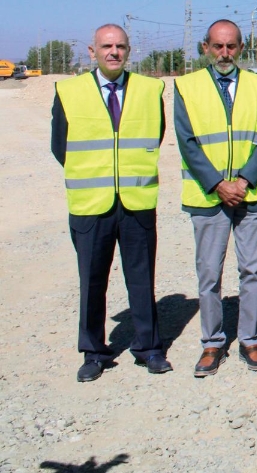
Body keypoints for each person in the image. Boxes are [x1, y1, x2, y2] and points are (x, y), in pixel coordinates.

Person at [51, 24, 171, 381]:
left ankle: (149, 348)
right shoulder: (69, 91)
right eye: (106, 46)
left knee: (141, 278)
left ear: (129, 51)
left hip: (136, 201)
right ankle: (93, 352)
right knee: (91, 281)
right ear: (92, 51)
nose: (113, 52)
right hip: (91, 204)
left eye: (120, 46)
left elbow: (157, 133)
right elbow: (62, 146)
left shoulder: (150, 90)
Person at [175, 20, 257, 376]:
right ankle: (212, 343)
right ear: (205, 48)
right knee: (209, 273)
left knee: (252, 270)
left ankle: (249, 339)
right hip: (208, 197)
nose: (224, 53)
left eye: (231, 46)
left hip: (252, 195)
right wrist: (218, 184)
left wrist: (245, 180)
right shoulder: (186, 87)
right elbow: (187, 142)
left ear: (242, 47)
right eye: (217, 46)